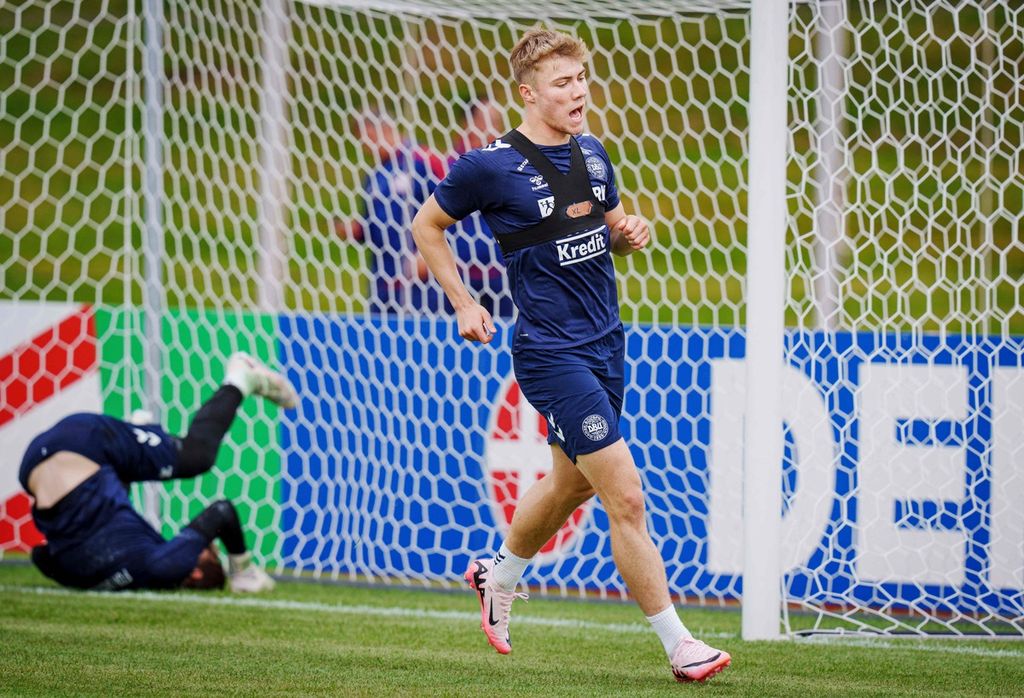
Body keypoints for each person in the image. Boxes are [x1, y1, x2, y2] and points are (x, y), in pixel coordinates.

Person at [412, 28, 731, 682]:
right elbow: (427, 226)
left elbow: (608, 228)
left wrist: (630, 234)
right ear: (529, 93)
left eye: (582, 77)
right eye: (563, 82)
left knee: (570, 484)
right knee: (627, 497)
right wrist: (465, 302)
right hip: (550, 351)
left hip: (607, 343)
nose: (579, 90)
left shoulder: (593, 152)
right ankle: (680, 646)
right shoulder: (490, 164)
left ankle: (497, 575)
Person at [19, 352, 298, 593]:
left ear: (195, 570)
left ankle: (240, 378)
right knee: (110, 501)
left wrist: (241, 567)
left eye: (209, 551)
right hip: (36, 467)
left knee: (196, 456)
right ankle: (138, 434)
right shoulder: (95, 572)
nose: (203, 543)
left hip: (86, 443)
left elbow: (221, 512)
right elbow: (41, 556)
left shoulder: (163, 566)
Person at [334, 109, 446, 314]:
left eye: (367, 139)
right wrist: (355, 230)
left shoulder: (421, 160)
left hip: (421, 281)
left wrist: (426, 255)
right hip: (383, 281)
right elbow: (372, 225)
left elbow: (451, 208)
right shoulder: (375, 176)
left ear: (384, 129)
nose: (366, 147)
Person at [448, 100, 515, 319]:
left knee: (504, 334)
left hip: (499, 272)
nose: (494, 128)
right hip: (457, 274)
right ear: (468, 123)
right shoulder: (447, 166)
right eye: (488, 121)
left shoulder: (505, 165)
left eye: (497, 121)